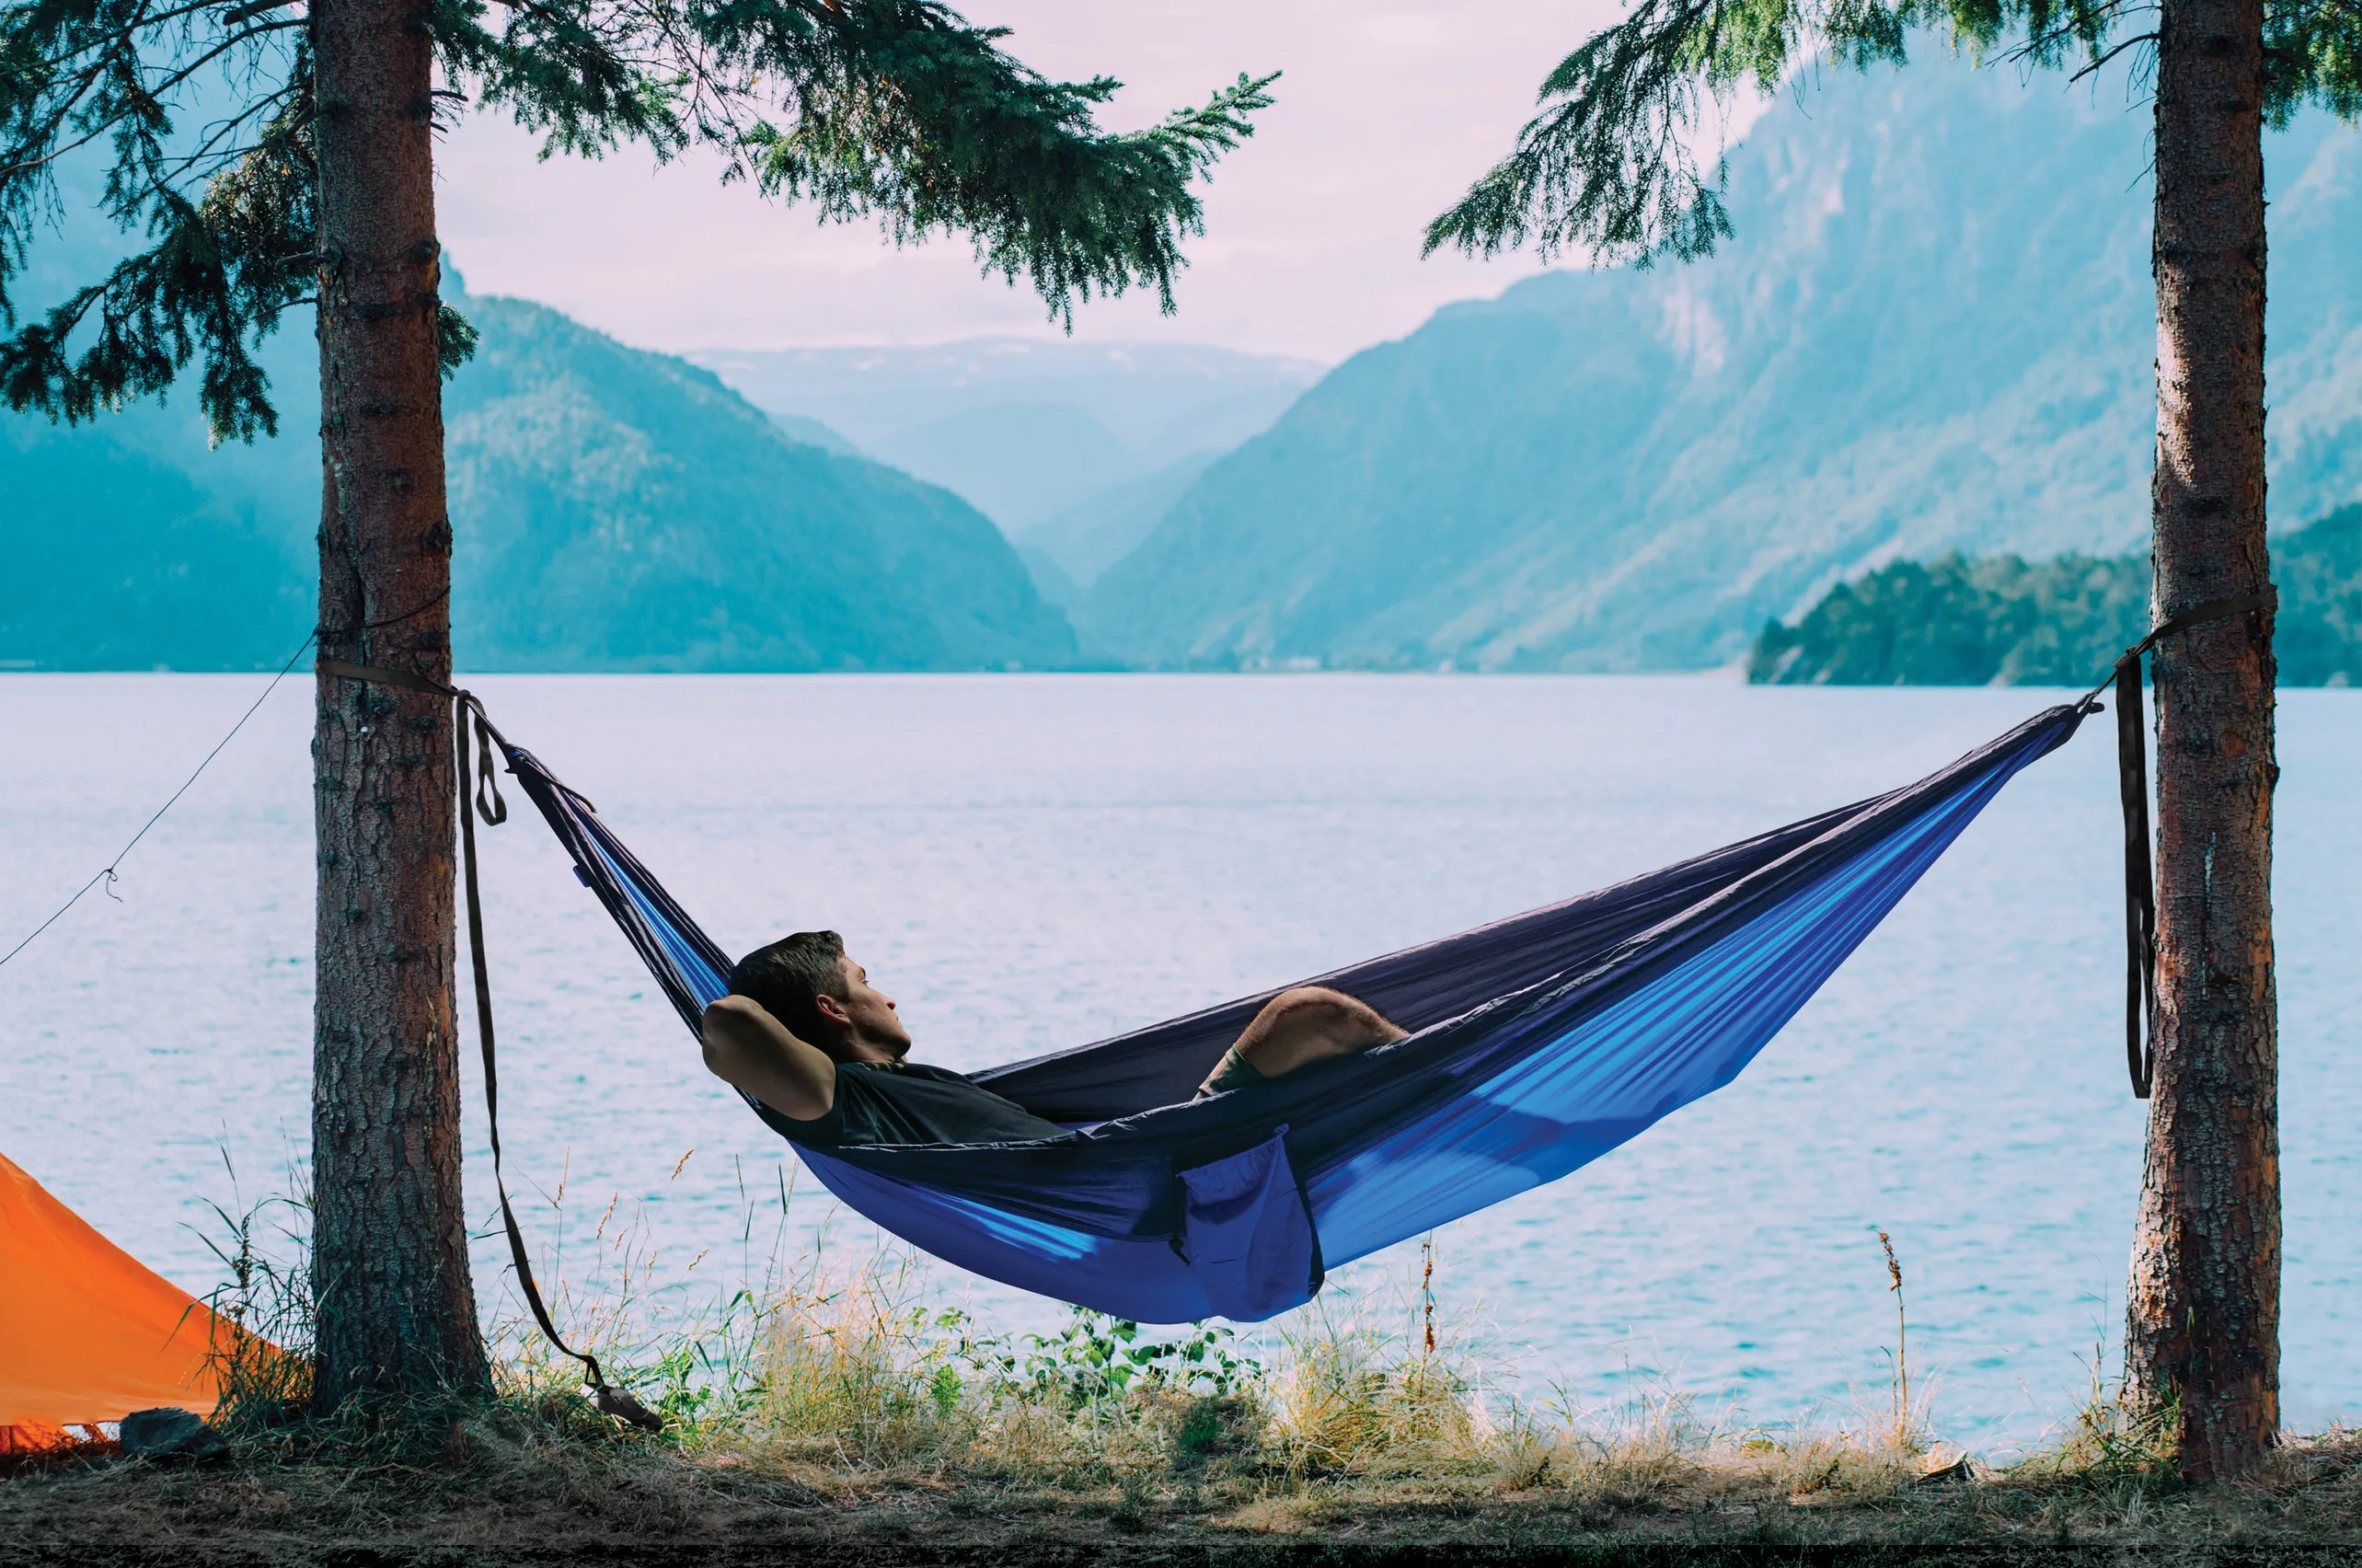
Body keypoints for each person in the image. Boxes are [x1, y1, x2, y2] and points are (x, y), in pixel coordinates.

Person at [700, 930, 1408, 1149]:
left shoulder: (899, 1090)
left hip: (1143, 1161)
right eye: (866, 982)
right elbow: (729, 1024)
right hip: (1159, 1172)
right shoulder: (844, 1101)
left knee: (1317, 1040)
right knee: (1310, 1015)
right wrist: (765, 994)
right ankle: (1468, 1079)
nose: (888, 995)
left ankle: (1459, 1080)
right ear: (832, 1009)